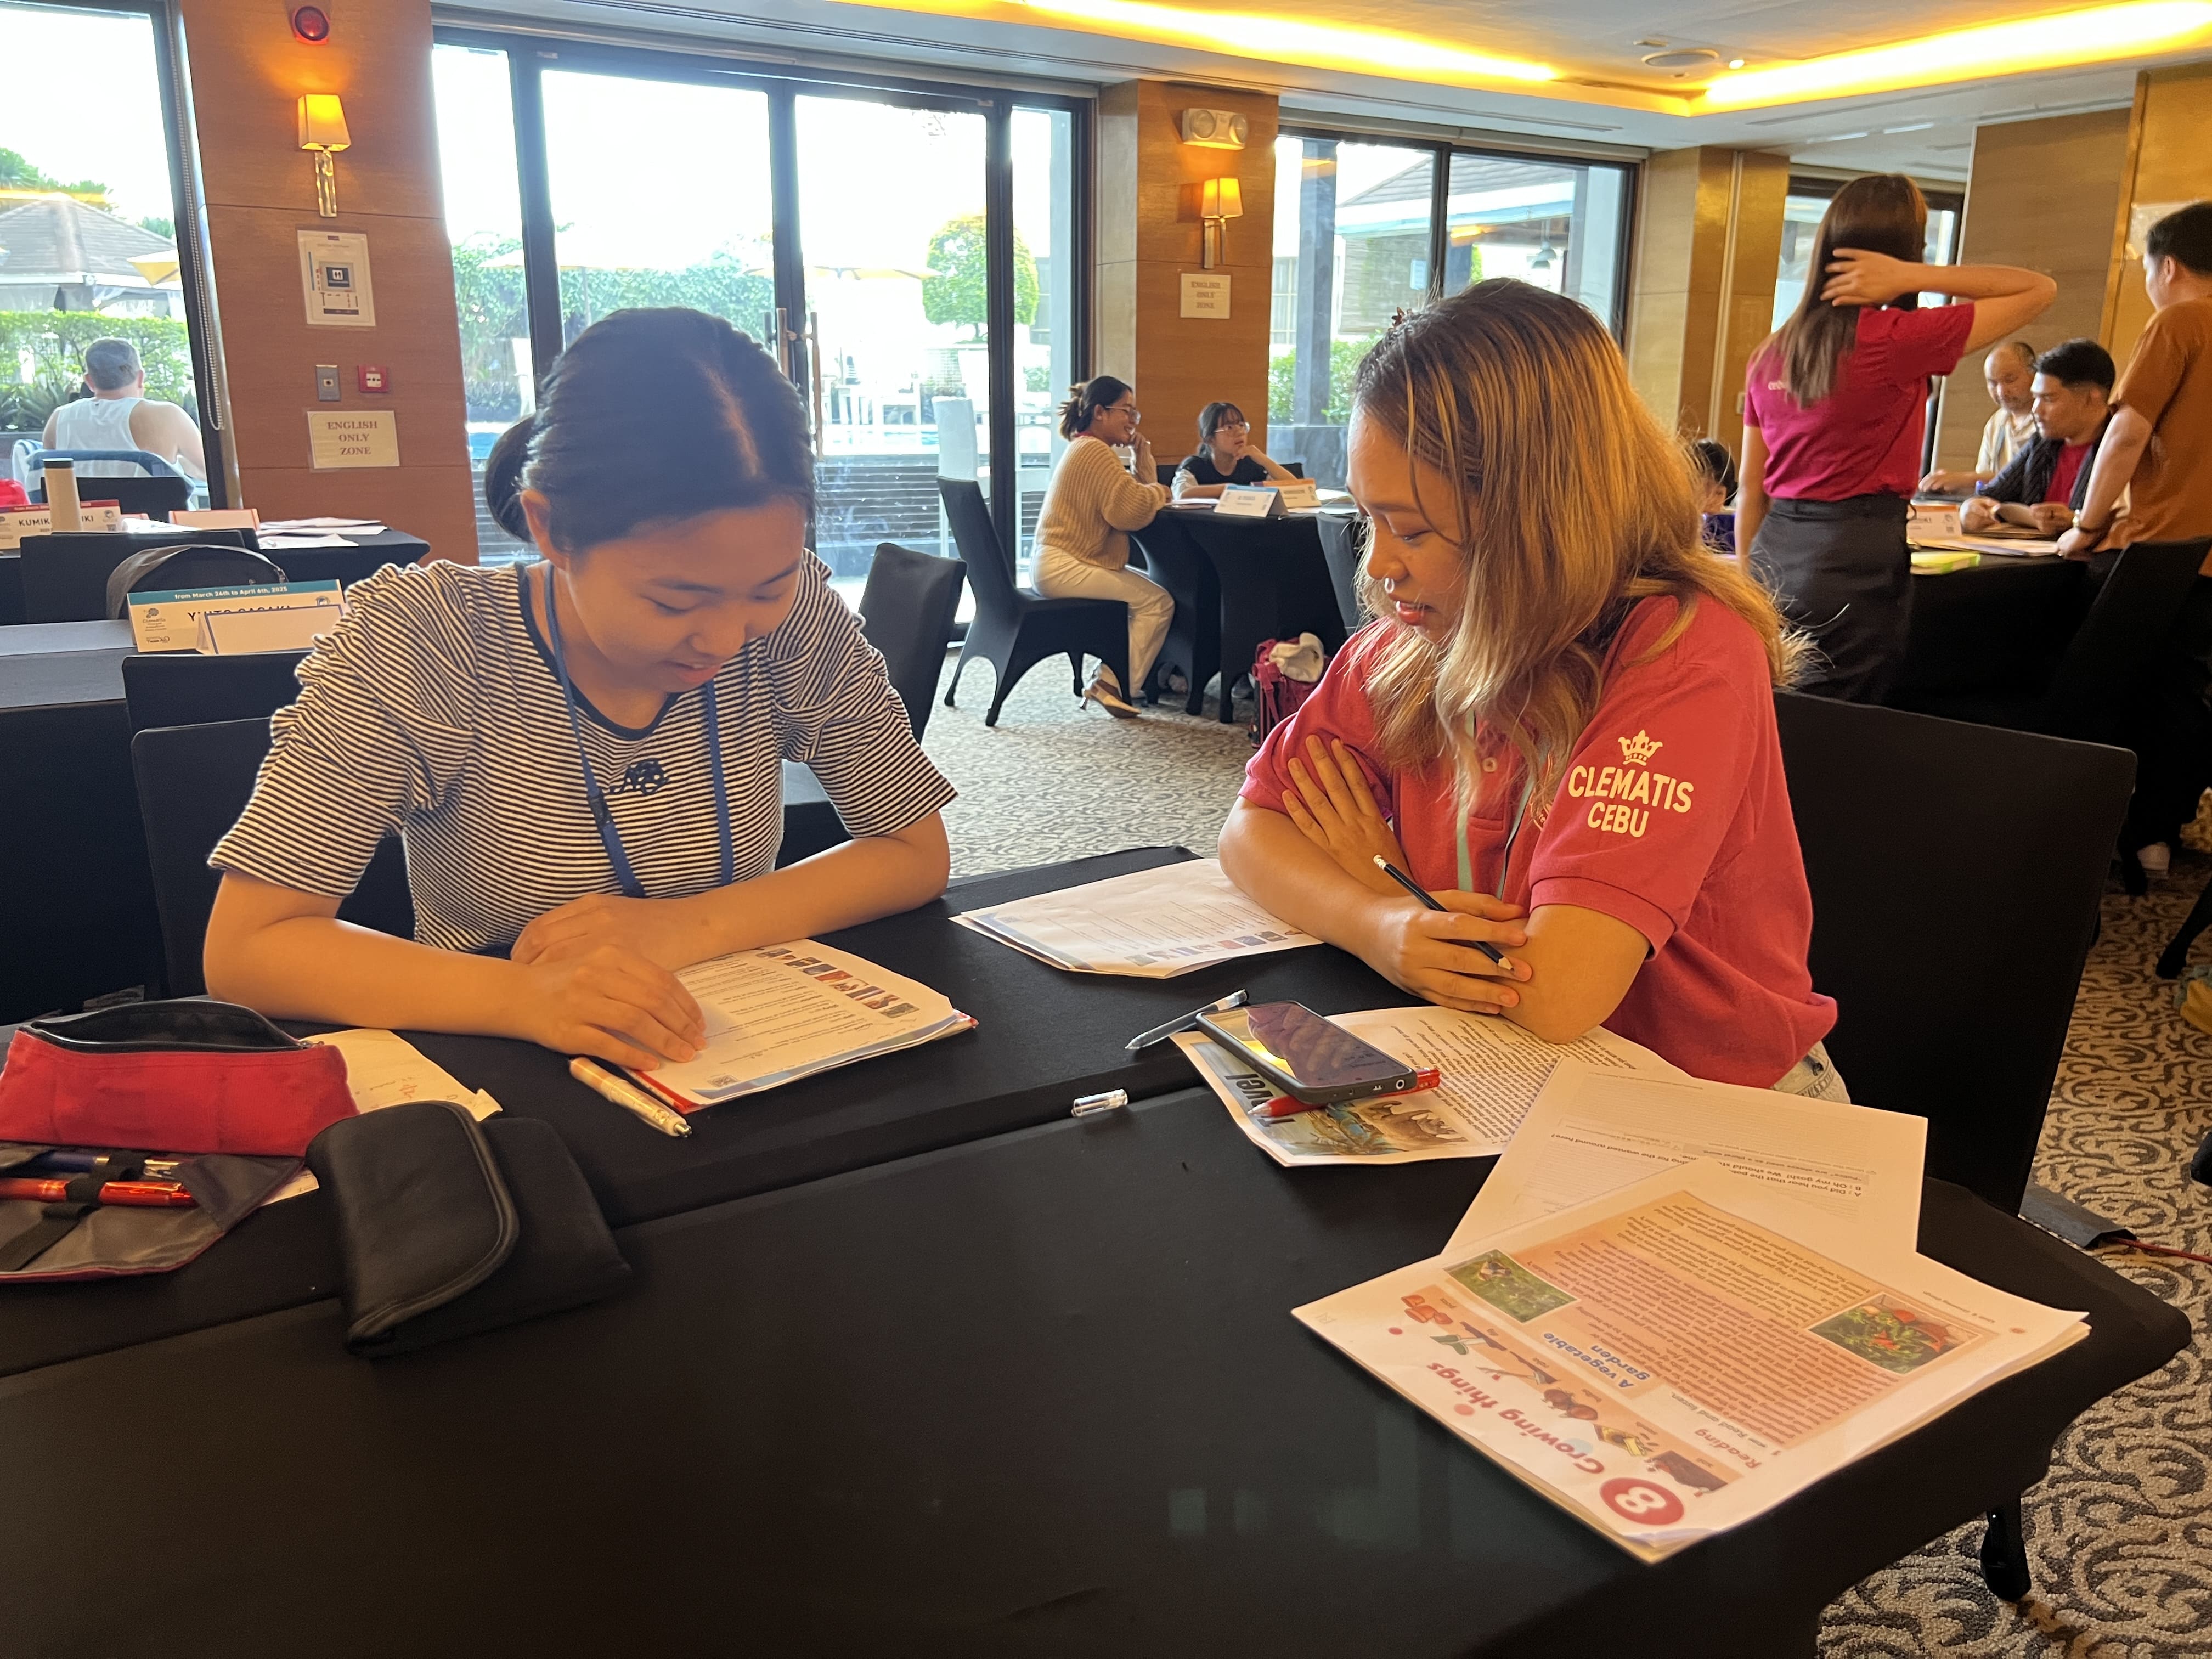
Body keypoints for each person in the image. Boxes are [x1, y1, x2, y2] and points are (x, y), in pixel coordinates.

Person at [202, 307, 954, 1072]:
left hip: (733, 1048)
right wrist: (525, 998)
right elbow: (249, 949)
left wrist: (686, 927)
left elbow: (913, 849)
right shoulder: (431, 637)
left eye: (768, 588)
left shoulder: (797, 619)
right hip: (508, 1066)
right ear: (551, 529)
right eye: (675, 602)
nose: (727, 640)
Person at [1218, 280, 1842, 1094]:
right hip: (1507, 1061)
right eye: (1369, 522)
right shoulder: (1413, 644)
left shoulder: (1682, 651)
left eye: (1412, 530)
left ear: (1538, 517)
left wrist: (1382, 877)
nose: (1378, 566)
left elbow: (1555, 993)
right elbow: (1249, 831)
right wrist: (1382, 924)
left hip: (1709, 1097)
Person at [1738, 174, 2054, 702]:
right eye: (1920, 242)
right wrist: (1911, 276)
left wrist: (1747, 590)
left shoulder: (1772, 352)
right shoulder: (1895, 340)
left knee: (1778, 715)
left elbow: (1752, 489)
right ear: (1903, 251)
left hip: (1774, 554)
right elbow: (2039, 290)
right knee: (1845, 721)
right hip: (1852, 557)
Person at [2057, 201, 2212, 872]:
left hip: (2158, 550)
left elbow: (2126, 432)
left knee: (2100, 690)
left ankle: (2071, 835)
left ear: (2167, 265)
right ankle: (2157, 835)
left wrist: (2087, 525)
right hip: (2205, 560)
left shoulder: (2180, 321)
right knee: (2182, 695)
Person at [1031, 375, 1174, 718]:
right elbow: (1130, 512)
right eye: (1126, 410)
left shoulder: (1086, 448)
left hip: (1058, 562)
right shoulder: (1095, 451)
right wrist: (1158, 488)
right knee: (1158, 602)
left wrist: (1145, 476)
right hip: (1064, 566)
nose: (1133, 420)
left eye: (1134, 412)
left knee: (1149, 591)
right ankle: (1112, 684)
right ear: (1099, 412)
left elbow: (1124, 501)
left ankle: (1110, 678)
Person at [1960, 338, 2114, 536]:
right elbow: (1990, 495)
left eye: (2048, 399)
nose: (2036, 410)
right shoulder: (2043, 443)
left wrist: (2076, 521)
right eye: (2036, 398)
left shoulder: (2120, 446)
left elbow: (2126, 523)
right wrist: (1970, 508)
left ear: (2092, 398)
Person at [41, 337, 207, 481]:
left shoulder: (59, 420)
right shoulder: (167, 416)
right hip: (153, 510)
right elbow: (212, 472)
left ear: (89, 381)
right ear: (140, 377)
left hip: (81, 510)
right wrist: (177, 463)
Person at [1920, 341, 2038, 495]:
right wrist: (1948, 483)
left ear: (2034, 374)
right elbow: (1984, 484)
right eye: (1993, 383)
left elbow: (2027, 481)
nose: (2001, 392)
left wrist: (1963, 480)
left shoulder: (2046, 422)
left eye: (2010, 380)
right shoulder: (1996, 422)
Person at [1172, 402, 1297, 499]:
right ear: (1210, 440)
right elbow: (1181, 494)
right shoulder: (1195, 465)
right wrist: (1228, 489)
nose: (1239, 432)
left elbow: (1297, 490)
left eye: (1241, 425)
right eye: (1229, 427)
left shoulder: (1251, 465)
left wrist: (1264, 460)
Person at [1690, 438, 1737, 552]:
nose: (1711, 500)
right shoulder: (1675, 522)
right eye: (1705, 490)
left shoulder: (1726, 527)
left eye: (1719, 493)